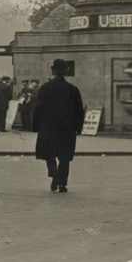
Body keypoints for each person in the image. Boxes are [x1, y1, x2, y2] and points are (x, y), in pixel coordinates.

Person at [34, 59, 85, 192]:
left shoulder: (45, 88)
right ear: (66, 72)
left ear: (53, 71)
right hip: (67, 128)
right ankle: (62, 184)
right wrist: (78, 128)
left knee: (49, 152)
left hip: (48, 127)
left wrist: (35, 126)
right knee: (64, 156)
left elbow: (37, 109)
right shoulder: (73, 90)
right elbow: (79, 110)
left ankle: (53, 171)